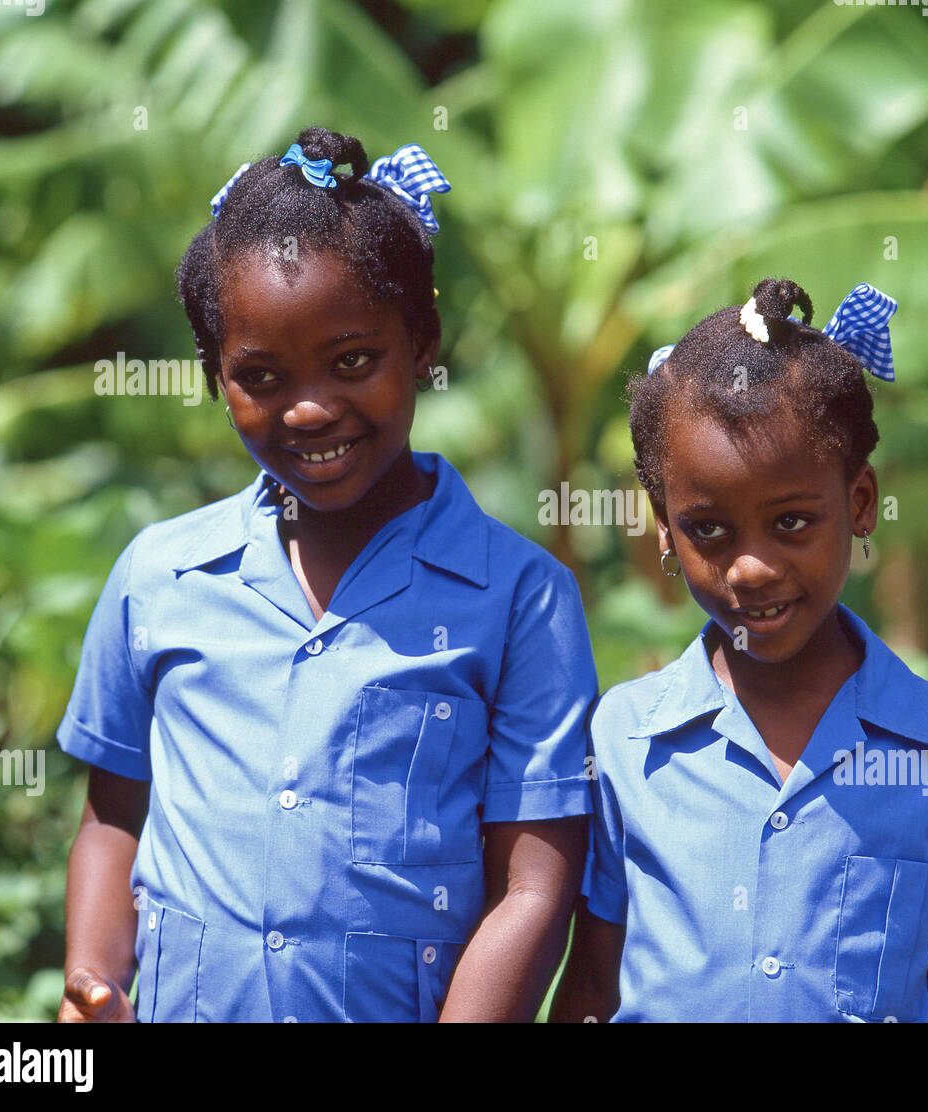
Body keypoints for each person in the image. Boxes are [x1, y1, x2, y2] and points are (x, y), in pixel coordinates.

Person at [55, 127, 597, 1022]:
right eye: (260, 376)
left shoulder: (521, 600)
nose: (309, 408)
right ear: (215, 377)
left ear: (423, 340)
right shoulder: (160, 577)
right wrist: (92, 979)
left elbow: (534, 886)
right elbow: (115, 817)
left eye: (353, 362)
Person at [551, 277, 928, 1022]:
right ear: (663, 528)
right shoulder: (621, 741)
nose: (751, 567)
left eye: (791, 523)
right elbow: (591, 984)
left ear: (860, 503)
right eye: (708, 530)